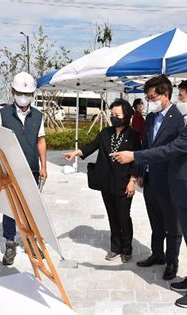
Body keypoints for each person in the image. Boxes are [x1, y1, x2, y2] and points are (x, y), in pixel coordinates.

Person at [112, 77, 187, 309]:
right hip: (183, 189)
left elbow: (172, 149)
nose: (181, 100)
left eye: (184, 97)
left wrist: (134, 156)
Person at [63, 99, 141, 263]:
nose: (113, 117)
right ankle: (115, 247)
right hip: (107, 182)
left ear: (126, 115)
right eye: (112, 114)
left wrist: (132, 180)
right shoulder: (106, 133)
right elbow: (90, 147)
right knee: (112, 216)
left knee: (123, 217)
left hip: (124, 182)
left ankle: (127, 249)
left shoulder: (133, 135)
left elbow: (137, 160)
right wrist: (75, 153)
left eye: (117, 115)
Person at [0, 72, 47, 265]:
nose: (24, 96)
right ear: (13, 92)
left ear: (33, 94)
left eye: (28, 93)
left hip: (31, 168)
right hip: (9, 170)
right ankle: (10, 242)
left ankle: (31, 241)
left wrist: (44, 166)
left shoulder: (38, 115)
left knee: (30, 207)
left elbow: (41, 141)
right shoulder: (2, 114)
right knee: (10, 208)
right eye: (20, 92)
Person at [135, 75, 184, 281]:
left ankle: (172, 262)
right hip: (149, 179)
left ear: (165, 95)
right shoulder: (151, 118)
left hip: (168, 181)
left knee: (172, 224)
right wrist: (139, 171)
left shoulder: (178, 119)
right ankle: (157, 254)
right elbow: (145, 145)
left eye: (152, 97)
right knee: (155, 221)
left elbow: (179, 152)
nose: (149, 101)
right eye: (147, 97)